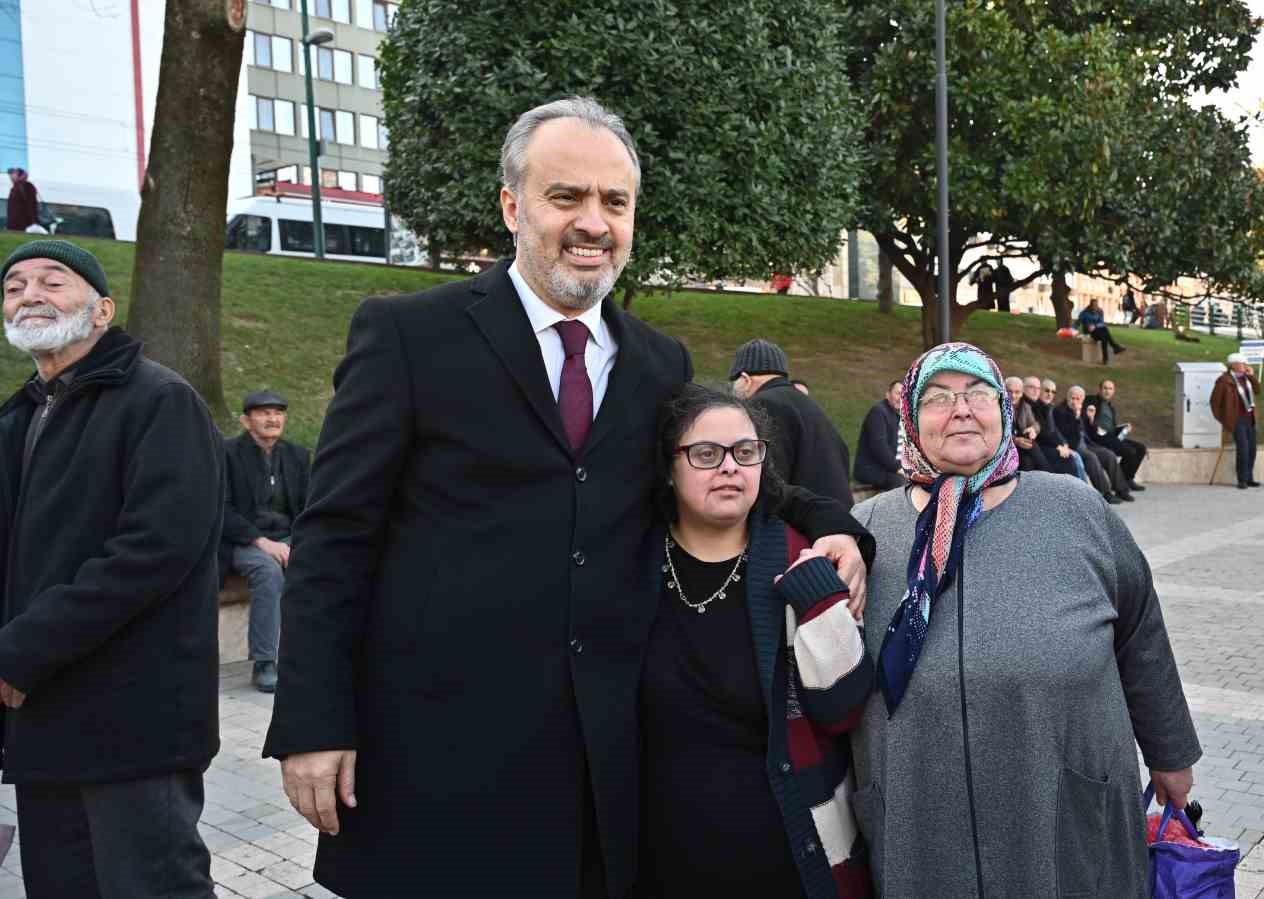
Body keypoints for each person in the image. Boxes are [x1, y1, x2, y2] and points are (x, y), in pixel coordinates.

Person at [262, 97, 871, 899]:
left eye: (614, 202)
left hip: (597, 778)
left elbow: (736, 472)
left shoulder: (658, 362)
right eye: (566, 197)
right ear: (513, 206)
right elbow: (334, 535)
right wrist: (313, 721)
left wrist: (839, 526)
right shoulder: (409, 336)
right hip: (436, 762)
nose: (593, 222)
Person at [849, 343, 1201, 897]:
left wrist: (1171, 754)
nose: (960, 409)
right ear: (912, 421)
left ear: (1005, 411)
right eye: (938, 398)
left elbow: (1142, 635)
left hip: (1060, 804)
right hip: (919, 814)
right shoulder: (863, 532)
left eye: (978, 394)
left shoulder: (1075, 510)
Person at [0, 240, 223, 897]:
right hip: (42, 716)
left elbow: (155, 549)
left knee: (150, 886)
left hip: (134, 717)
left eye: (52, 280)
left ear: (102, 311)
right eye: (14, 286)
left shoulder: (160, 400)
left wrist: (18, 651)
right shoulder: (20, 417)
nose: (29, 293)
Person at [640, 385, 872, 898]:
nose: (729, 467)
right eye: (706, 454)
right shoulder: (633, 564)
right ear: (669, 467)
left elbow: (844, 709)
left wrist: (817, 601)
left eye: (746, 453)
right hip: (659, 857)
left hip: (785, 857)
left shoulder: (800, 559)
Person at [221, 389, 311, 693]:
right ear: (246, 421)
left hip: (287, 538)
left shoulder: (298, 456)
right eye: (263, 413)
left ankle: (312, 653)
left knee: (318, 563)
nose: (273, 419)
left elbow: (310, 506)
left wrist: (296, 542)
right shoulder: (226, 453)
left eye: (278, 412)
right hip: (243, 542)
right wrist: (261, 542)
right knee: (268, 572)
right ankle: (264, 661)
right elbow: (221, 510)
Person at [730, 339, 853, 507]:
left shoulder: (762, 404)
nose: (734, 390)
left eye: (734, 383)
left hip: (802, 523)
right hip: (834, 517)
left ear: (745, 379)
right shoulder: (806, 403)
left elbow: (770, 478)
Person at [1055, 384, 1133, 503]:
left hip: (1087, 443)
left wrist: (1091, 420)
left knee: (1108, 455)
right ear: (1067, 397)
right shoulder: (1060, 411)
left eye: (1078, 399)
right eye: (1072, 398)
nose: (1074, 401)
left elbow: (1092, 433)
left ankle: (1121, 490)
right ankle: (1105, 493)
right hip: (1073, 445)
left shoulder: (1083, 410)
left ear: (1082, 399)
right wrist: (1076, 417)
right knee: (1092, 458)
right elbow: (1068, 434)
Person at [1210, 353, 1262, 489]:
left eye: (1245, 364)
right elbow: (1215, 403)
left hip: (1250, 418)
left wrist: (1251, 376)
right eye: (1242, 364)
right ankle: (1242, 480)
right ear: (1233, 365)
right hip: (1236, 419)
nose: (1245, 366)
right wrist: (1225, 420)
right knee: (1243, 449)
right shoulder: (1224, 380)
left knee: (1252, 449)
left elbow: (1257, 390)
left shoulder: (1246, 378)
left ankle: (1250, 477)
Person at [1086, 378, 1146, 489]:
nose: (1107, 391)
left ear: (1113, 391)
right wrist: (1091, 419)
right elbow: (1087, 414)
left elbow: (1112, 429)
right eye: (1105, 388)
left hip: (1112, 436)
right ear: (1099, 389)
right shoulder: (1092, 400)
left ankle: (1127, 479)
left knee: (1141, 448)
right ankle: (1121, 482)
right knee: (1129, 451)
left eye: (1110, 389)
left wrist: (1123, 428)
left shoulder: (1111, 408)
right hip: (1099, 438)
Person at [1021, 375, 1084, 480]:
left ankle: (1082, 491)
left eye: (1053, 392)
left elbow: (1054, 431)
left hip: (1043, 444)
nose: (1050, 394)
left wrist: (1063, 444)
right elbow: (1043, 432)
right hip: (1037, 445)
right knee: (1070, 459)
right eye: (1047, 390)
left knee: (1075, 457)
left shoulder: (1047, 407)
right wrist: (1058, 446)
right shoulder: (1038, 406)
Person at [854, 380, 906, 492]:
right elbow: (879, 447)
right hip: (871, 469)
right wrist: (898, 469)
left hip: (889, 468)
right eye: (898, 393)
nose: (900, 398)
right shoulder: (878, 413)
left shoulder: (900, 416)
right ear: (888, 395)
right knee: (901, 483)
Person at [1076, 297, 1126, 364]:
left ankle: (1105, 359)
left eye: (1096, 305)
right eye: (1094, 306)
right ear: (1090, 306)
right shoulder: (1085, 313)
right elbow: (1078, 322)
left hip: (1099, 330)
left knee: (1104, 337)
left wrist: (1095, 326)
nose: (1095, 307)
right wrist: (1073, 330)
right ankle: (1115, 347)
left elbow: (1101, 322)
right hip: (1089, 331)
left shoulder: (1100, 311)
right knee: (1104, 331)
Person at [5, 168, 41, 232]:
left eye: (13, 174)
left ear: (19, 175)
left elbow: (31, 205)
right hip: (15, 223)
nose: (10, 177)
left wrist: (33, 221)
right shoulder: (16, 187)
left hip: (22, 224)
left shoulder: (25, 186)